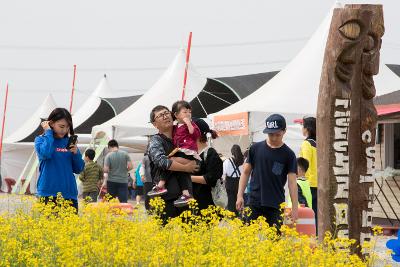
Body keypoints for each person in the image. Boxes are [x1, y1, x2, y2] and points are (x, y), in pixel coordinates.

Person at [236, 114, 298, 230]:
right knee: (248, 238)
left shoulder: (289, 155)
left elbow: (292, 183)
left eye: (277, 134)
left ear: (284, 131)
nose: (274, 138)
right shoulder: (255, 148)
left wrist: (294, 208)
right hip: (254, 201)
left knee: (274, 241)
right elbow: (245, 173)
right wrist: (240, 195)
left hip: (276, 204)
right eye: (270, 134)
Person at [147, 105, 198, 220]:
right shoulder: (156, 140)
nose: (165, 116)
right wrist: (185, 167)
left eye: (166, 113)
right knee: (162, 235)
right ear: (155, 124)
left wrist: (177, 161)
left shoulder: (183, 133)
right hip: (164, 198)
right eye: (160, 115)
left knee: (191, 235)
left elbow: (195, 163)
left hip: (186, 196)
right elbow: (161, 161)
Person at [34, 108, 84, 212]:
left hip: (69, 194)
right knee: (48, 227)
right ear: (51, 123)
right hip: (48, 193)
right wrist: (48, 132)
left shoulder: (70, 143)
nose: (65, 130)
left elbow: (79, 169)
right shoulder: (41, 140)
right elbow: (45, 154)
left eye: (67, 127)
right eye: (61, 126)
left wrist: (76, 154)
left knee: (70, 228)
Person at [191, 118, 223, 211]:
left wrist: (188, 178)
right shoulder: (191, 153)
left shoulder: (210, 153)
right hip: (192, 203)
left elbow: (211, 178)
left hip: (206, 205)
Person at [299, 117, 318, 230]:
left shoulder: (307, 144)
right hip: (318, 184)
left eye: (303, 126)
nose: (302, 128)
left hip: (308, 184)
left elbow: (304, 163)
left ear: (307, 129)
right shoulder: (319, 143)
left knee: (306, 214)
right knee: (316, 213)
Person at [223, 144, 244, 213]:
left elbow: (223, 173)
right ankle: (239, 214)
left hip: (230, 182)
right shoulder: (242, 161)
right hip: (239, 181)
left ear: (232, 152)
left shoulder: (227, 161)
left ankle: (232, 215)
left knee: (231, 200)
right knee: (239, 198)